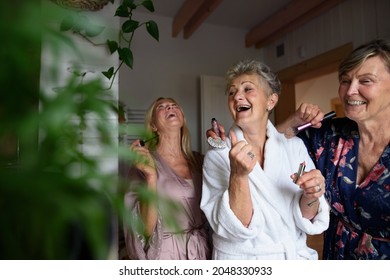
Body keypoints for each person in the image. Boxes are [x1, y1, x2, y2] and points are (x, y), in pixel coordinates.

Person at [200, 59, 330, 260]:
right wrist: (238, 175)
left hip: (293, 256)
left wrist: (312, 195)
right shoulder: (217, 156)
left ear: (271, 100)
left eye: (247, 89)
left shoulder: (293, 147)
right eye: (232, 92)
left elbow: (307, 217)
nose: (237, 97)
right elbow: (236, 227)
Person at [276, 39, 390, 260]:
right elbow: (271, 146)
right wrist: (294, 120)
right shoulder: (329, 136)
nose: (350, 91)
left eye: (365, 80)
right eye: (345, 81)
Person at [119, 97, 211, 260]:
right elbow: (144, 231)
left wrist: (220, 147)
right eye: (162, 107)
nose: (170, 107)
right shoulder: (143, 163)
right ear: (153, 125)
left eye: (174, 105)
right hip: (166, 255)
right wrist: (151, 177)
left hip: (201, 252)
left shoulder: (201, 161)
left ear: (182, 119)